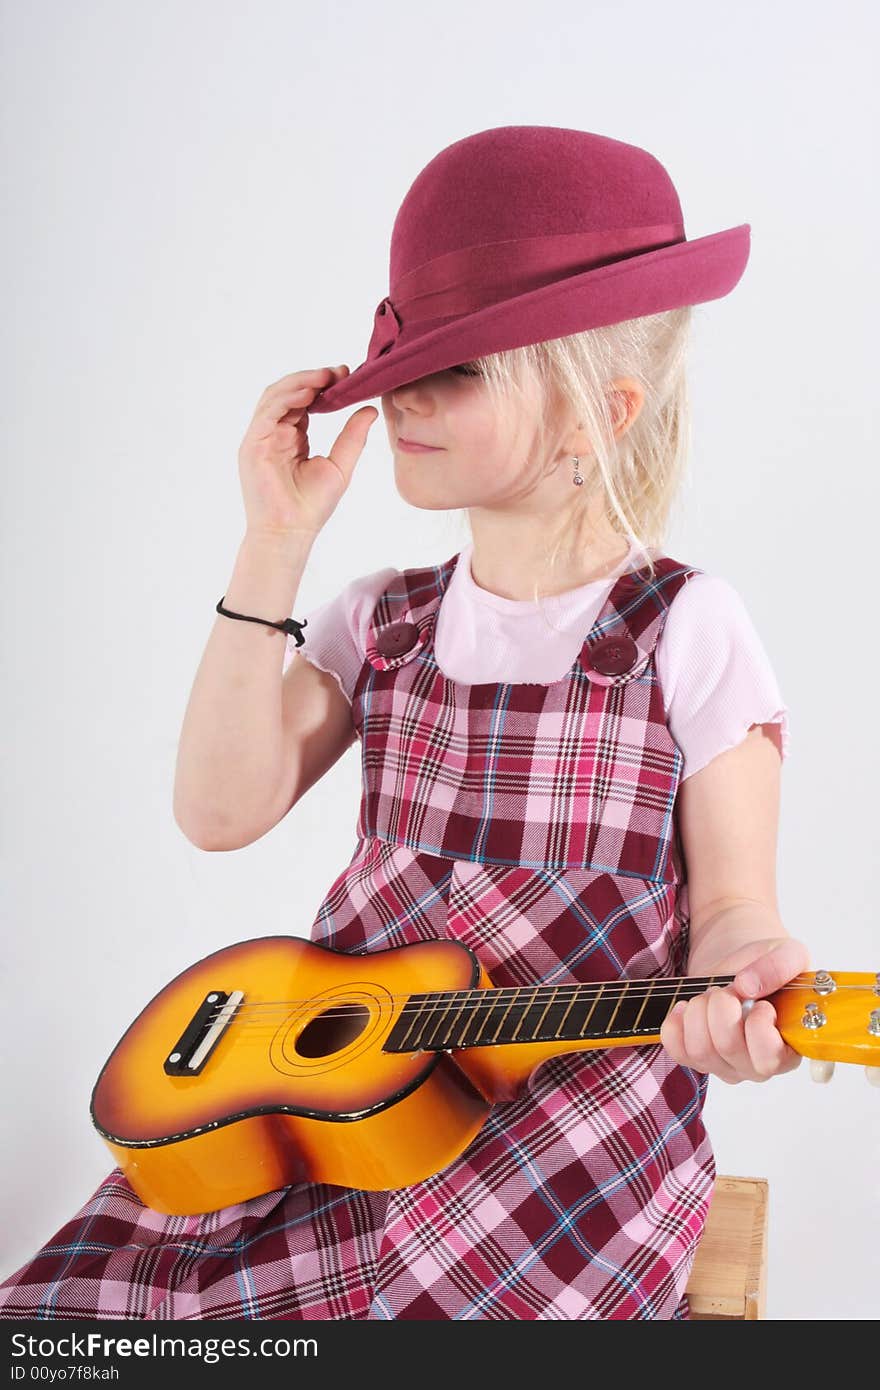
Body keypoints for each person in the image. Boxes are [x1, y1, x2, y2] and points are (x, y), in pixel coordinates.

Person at [0, 124, 808, 1321]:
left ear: (599, 413)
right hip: (338, 1103)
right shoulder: (380, 620)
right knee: (73, 1318)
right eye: (407, 359)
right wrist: (273, 541)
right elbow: (218, 810)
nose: (404, 398)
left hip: (563, 1142)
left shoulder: (683, 627)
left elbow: (735, 904)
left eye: (461, 370)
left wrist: (737, 984)